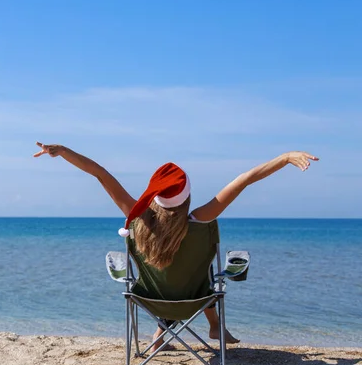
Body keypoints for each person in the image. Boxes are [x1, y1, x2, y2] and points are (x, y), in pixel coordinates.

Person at [33, 141, 318, 348]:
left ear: (154, 197)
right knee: (197, 270)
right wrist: (284, 157)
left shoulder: (138, 220)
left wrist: (64, 152)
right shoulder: (201, 220)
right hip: (195, 299)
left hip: (150, 300)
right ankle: (216, 326)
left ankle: (160, 336)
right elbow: (243, 181)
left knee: (170, 274)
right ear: (187, 198)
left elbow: (101, 174)